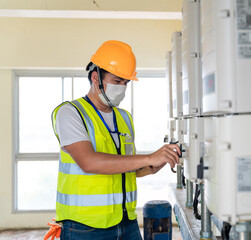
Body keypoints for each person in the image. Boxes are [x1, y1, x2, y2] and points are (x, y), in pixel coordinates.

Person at [49, 40, 180, 240]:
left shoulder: (124, 118)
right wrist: (148, 158)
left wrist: (157, 162)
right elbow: (88, 162)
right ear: (96, 78)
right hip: (84, 227)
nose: (122, 88)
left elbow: (129, 168)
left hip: (126, 223)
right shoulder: (70, 113)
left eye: (126, 83)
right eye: (117, 81)